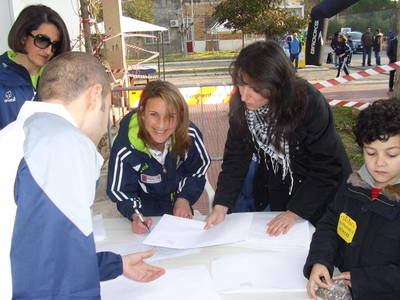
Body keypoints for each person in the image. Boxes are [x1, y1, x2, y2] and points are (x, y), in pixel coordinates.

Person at [0, 52, 165, 298]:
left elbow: (47, 251)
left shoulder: (21, 133)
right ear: (95, 95)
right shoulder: (63, 142)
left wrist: (114, 265)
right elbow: (54, 281)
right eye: (107, 107)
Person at [204, 41, 351, 236]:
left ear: (277, 84)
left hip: (322, 194)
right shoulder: (240, 105)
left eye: (256, 88)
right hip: (281, 186)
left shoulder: (308, 102)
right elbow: (236, 159)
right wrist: (221, 205)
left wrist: (294, 212)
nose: (245, 95)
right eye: (240, 84)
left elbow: (327, 167)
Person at [304, 98, 400, 300]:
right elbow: (330, 224)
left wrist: (364, 280)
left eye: (392, 155)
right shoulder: (355, 185)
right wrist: (320, 260)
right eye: (370, 152)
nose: (379, 163)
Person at [107, 80, 211, 234]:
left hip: (178, 212)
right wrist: (136, 215)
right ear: (142, 113)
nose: (162, 125)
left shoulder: (190, 136)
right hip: (144, 212)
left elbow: (197, 170)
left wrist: (183, 199)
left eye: (170, 116)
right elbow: (121, 190)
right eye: (154, 114)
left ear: (180, 116)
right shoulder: (125, 145)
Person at [0, 4, 71, 130]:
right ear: (23, 37)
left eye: (55, 45)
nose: (48, 51)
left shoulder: (60, 78)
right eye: (43, 40)